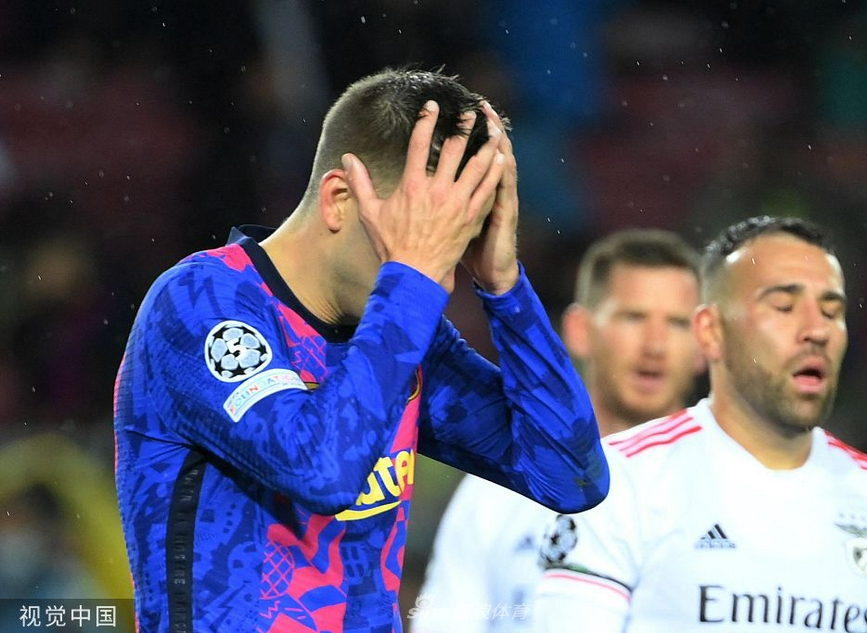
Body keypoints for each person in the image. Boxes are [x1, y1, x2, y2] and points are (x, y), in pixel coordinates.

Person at [113, 68, 610, 633]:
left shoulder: (399, 327)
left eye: (455, 238)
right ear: (339, 199)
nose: (439, 267)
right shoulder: (202, 303)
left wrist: (505, 287)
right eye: (424, 234)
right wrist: (411, 282)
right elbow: (322, 471)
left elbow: (570, 477)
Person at [534, 216, 867, 632]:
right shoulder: (619, 482)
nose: (816, 330)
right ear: (711, 331)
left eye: (831, 311)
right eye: (784, 307)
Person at [409, 228, 705, 631]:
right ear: (580, 330)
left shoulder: (729, 485)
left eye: (678, 324)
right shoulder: (497, 487)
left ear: (705, 342)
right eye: (633, 317)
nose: (655, 345)